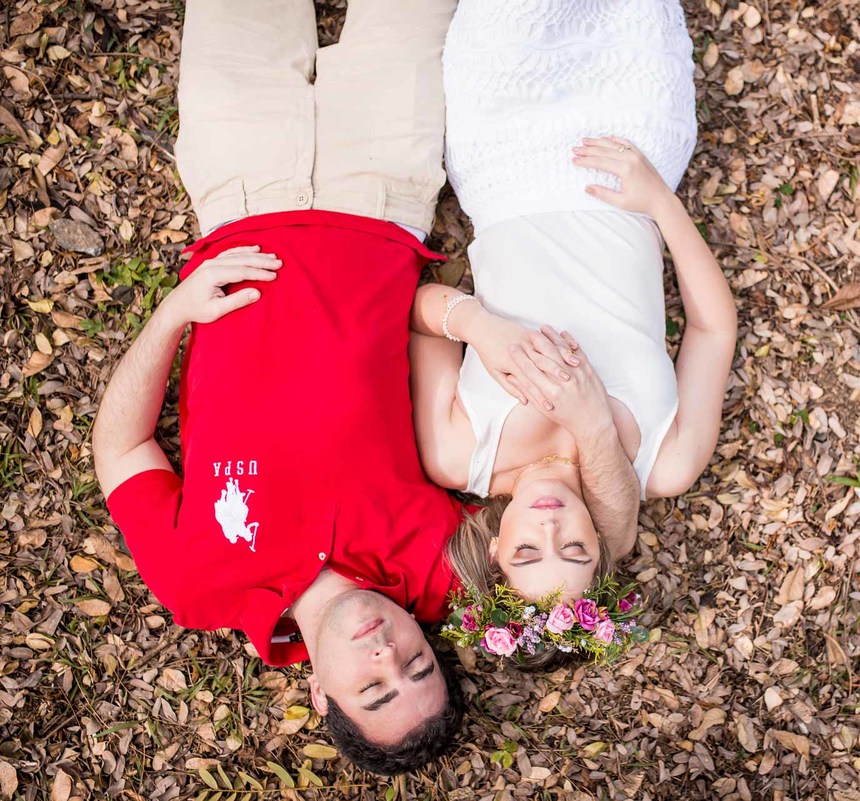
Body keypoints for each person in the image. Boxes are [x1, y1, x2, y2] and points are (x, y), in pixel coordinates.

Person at [93, 0, 467, 775]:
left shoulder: (200, 584)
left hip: (236, 189)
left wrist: (171, 317)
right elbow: (586, 532)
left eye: (374, 687)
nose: (387, 654)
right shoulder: (438, 564)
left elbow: (121, 446)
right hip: (382, 190)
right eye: (419, 667)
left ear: (323, 696)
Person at [409, 0, 738, 613]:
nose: (550, 529)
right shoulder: (664, 464)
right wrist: (661, 203)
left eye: (530, 551)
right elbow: (714, 330)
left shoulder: (459, 455)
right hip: (628, 156)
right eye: (575, 551)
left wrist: (480, 326)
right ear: (599, 547)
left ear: (497, 552)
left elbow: (418, 317)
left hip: (503, 157)